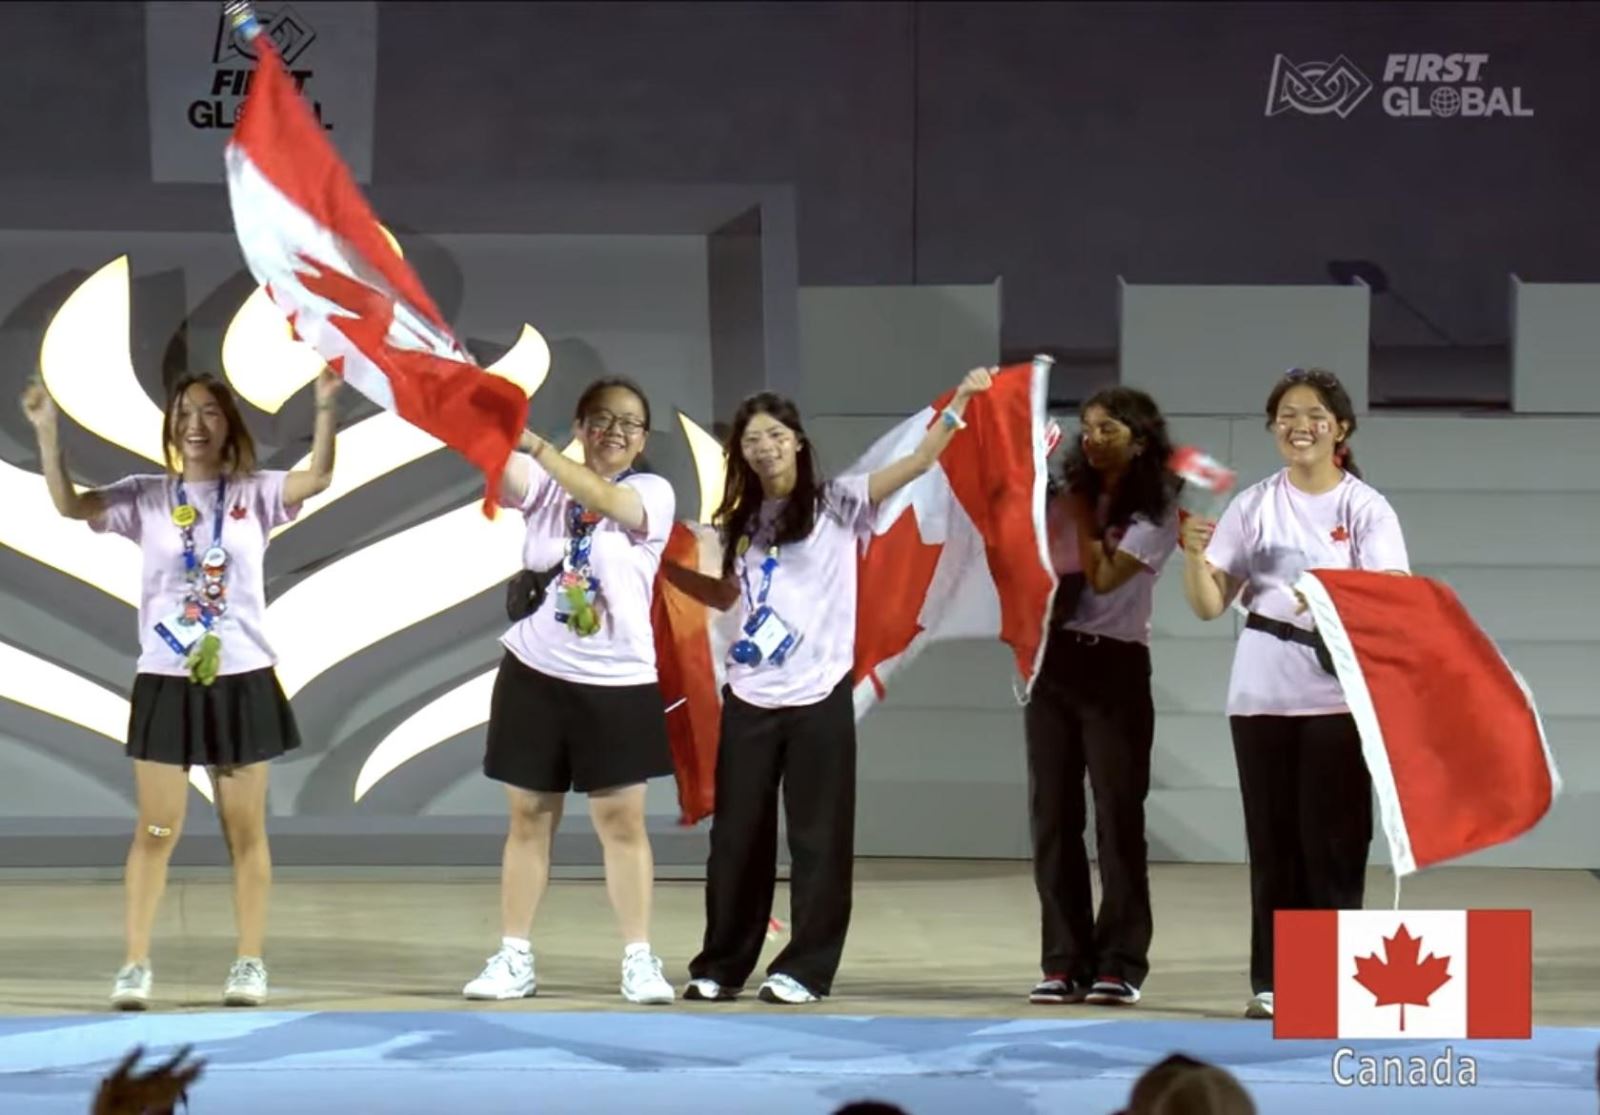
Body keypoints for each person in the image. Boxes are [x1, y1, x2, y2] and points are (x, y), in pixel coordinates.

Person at [664, 368, 994, 1005]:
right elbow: (730, 596)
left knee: (817, 838)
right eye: (752, 439)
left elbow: (922, 460)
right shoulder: (739, 521)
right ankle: (721, 965)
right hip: (750, 696)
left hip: (818, 697)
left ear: (797, 441)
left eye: (775, 434)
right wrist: (671, 577)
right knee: (736, 839)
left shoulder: (839, 501)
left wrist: (962, 400)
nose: (764, 447)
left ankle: (805, 969)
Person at [22, 368, 341, 1010]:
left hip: (242, 676)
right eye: (184, 413)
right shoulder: (146, 496)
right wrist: (49, 437)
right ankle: (135, 964)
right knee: (157, 830)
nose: (195, 424)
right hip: (167, 680)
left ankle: (249, 962)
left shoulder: (257, 492)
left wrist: (326, 410)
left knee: (243, 833)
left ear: (229, 424)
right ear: (172, 426)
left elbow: (320, 477)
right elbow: (70, 505)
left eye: (209, 412)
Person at [1179, 368, 1409, 1020]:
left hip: (1337, 696)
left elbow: (1392, 591)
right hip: (1260, 695)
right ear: (1273, 427)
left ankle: (1335, 987)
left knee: (1333, 845)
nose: (1298, 425)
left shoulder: (1364, 507)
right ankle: (1275, 983)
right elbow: (1207, 604)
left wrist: (1327, 593)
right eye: (1285, 414)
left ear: (1340, 428)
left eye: (1313, 414)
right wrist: (1193, 556)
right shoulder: (1253, 504)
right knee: (1273, 842)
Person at [462, 377, 679, 1005]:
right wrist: (476, 411)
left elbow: (609, 503)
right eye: (601, 419)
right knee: (529, 818)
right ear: (580, 427)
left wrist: (540, 447)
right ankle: (514, 956)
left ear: (642, 440)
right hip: (536, 673)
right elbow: (501, 471)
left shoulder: (651, 492)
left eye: (629, 423)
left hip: (617, 681)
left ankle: (639, 958)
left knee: (622, 822)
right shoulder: (545, 482)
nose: (614, 431)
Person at [1025, 387, 1180, 1008]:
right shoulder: (1063, 498)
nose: (1092, 438)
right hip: (1053, 662)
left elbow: (1104, 574)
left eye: (1108, 428)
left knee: (1118, 819)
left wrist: (1080, 509)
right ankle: (1064, 960)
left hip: (1115, 666)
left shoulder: (1158, 510)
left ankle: (1120, 961)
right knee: (1054, 818)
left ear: (1139, 440)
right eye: (1087, 427)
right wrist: (1034, 479)